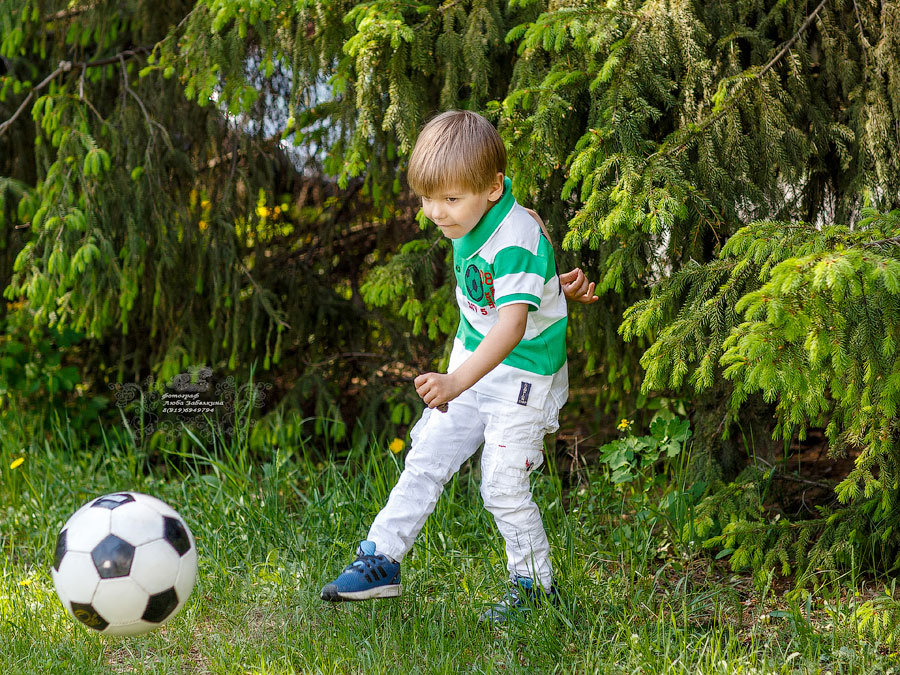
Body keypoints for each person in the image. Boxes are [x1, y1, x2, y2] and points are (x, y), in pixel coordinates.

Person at [320, 110, 596, 622]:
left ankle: (536, 590)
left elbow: (511, 326)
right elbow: (521, 268)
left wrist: (454, 381)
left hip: (523, 376)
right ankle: (381, 559)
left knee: (502, 484)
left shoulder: (514, 234)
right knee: (426, 453)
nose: (436, 213)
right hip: (472, 360)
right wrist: (556, 284)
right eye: (427, 199)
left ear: (490, 189)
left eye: (450, 200)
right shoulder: (484, 213)